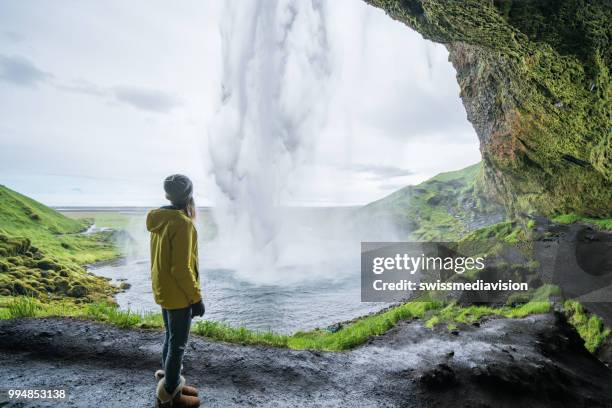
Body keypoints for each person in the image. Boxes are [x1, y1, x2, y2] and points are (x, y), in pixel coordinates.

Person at [147, 174, 205, 408]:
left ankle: (171, 379)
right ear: (189, 196)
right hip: (179, 295)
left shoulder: (159, 218)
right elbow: (181, 268)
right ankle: (170, 395)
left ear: (168, 196)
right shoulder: (183, 223)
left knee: (170, 338)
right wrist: (196, 298)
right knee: (178, 345)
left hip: (164, 289)